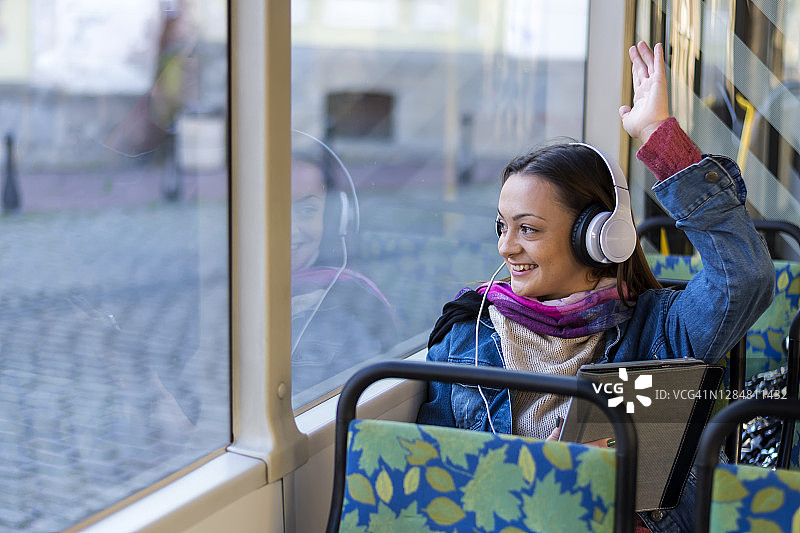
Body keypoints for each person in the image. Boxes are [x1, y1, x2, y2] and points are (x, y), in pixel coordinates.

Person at [416, 41, 774, 532]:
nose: (506, 247)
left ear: (599, 236)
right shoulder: (467, 337)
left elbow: (745, 277)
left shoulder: (659, 330)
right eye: (502, 226)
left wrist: (660, 139)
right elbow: (435, 484)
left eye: (528, 229)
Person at [290, 136, 398, 402]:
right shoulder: (220, 295)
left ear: (333, 217)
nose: (290, 230)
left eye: (307, 211)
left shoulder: (354, 308)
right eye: (272, 211)